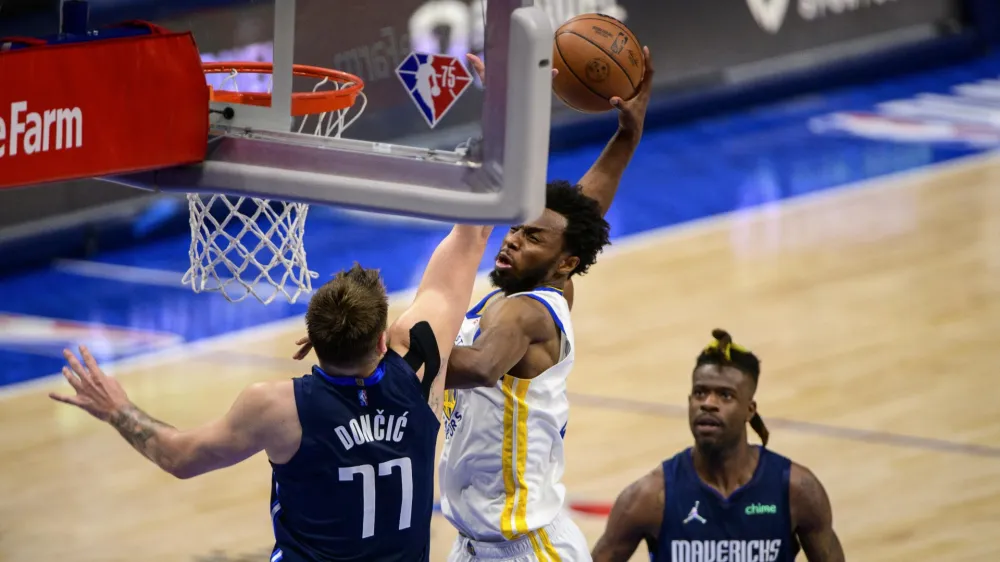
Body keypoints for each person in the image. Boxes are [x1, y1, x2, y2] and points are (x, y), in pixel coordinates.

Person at [49, 223, 494, 562]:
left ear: (312, 342)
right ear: (381, 341)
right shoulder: (420, 368)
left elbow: (178, 457)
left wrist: (117, 408)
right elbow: (472, 237)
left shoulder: (278, 407)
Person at [433, 48, 654, 562]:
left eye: (530, 237)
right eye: (514, 229)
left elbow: (482, 367)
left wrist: (381, 346)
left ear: (565, 264)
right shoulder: (546, 277)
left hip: (529, 551)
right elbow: (582, 212)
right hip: (471, 545)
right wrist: (627, 137)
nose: (511, 241)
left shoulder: (527, 312)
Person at [590, 329, 846, 562]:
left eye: (725, 395)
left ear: (750, 409)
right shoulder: (649, 497)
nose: (708, 403)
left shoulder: (796, 491)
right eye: (700, 393)